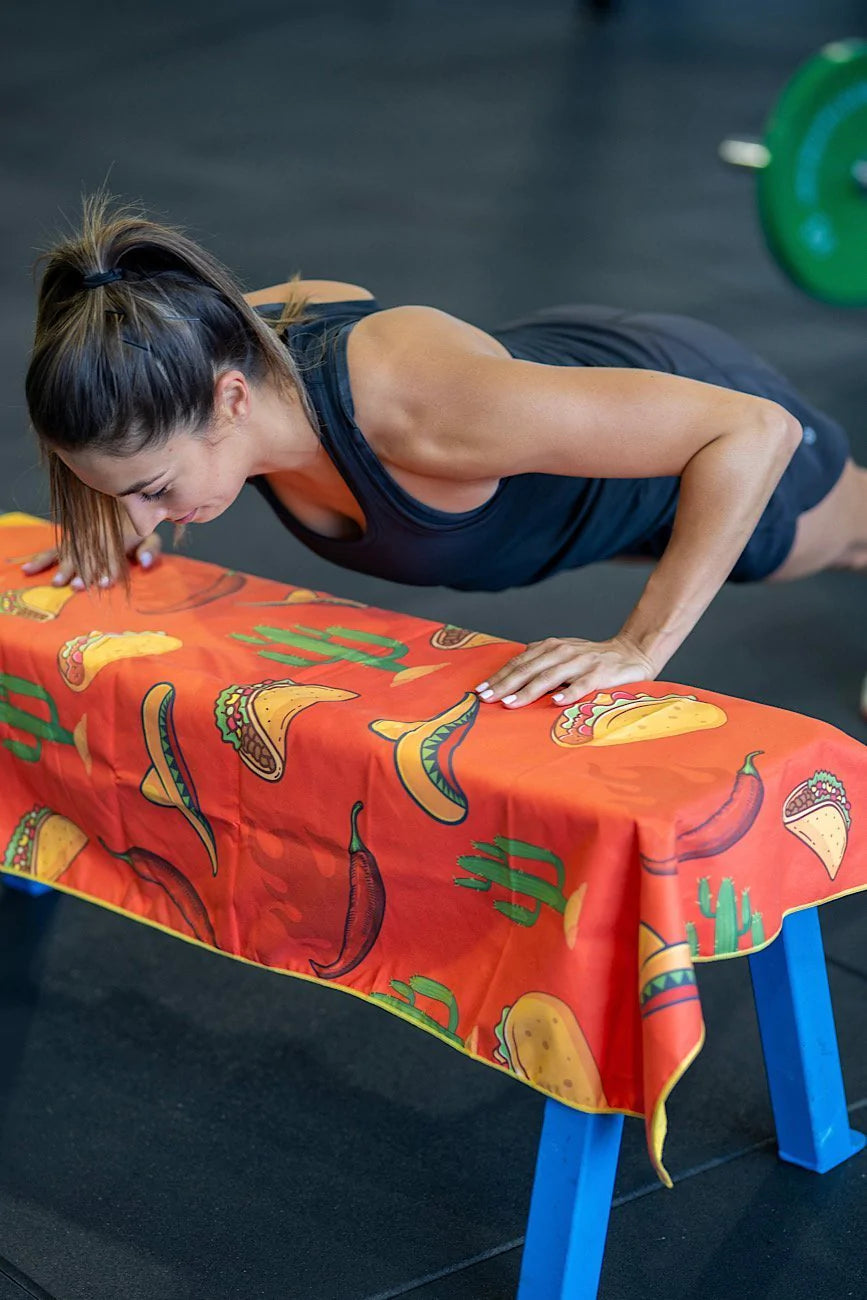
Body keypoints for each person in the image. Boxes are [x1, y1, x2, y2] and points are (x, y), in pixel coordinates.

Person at [22, 194, 867, 714]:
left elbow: (753, 432)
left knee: (843, 542)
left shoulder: (413, 411)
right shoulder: (208, 342)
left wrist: (638, 647)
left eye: (156, 489)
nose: (149, 518)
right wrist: (115, 506)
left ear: (229, 401)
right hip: (559, 411)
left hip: (687, 419)